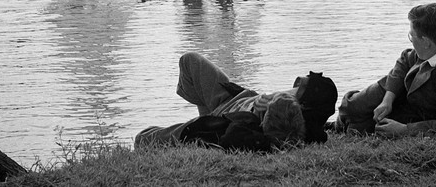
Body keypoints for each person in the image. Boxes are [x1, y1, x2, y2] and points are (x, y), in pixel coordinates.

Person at [336, 2, 436, 137]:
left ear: (426, 42)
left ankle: (338, 127)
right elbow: (406, 59)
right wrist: (388, 98)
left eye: (411, 36)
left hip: (426, 111)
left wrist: (404, 130)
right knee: (352, 106)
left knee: (364, 127)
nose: (410, 40)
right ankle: (339, 124)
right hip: (410, 90)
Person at [135, 52, 337, 149]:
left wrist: (267, 109)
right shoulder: (294, 110)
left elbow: (143, 139)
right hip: (237, 97)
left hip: (227, 116)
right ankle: (205, 114)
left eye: (298, 87)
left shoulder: (245, 127)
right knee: (189, 60)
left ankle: (206, 118)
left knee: (143, 138)